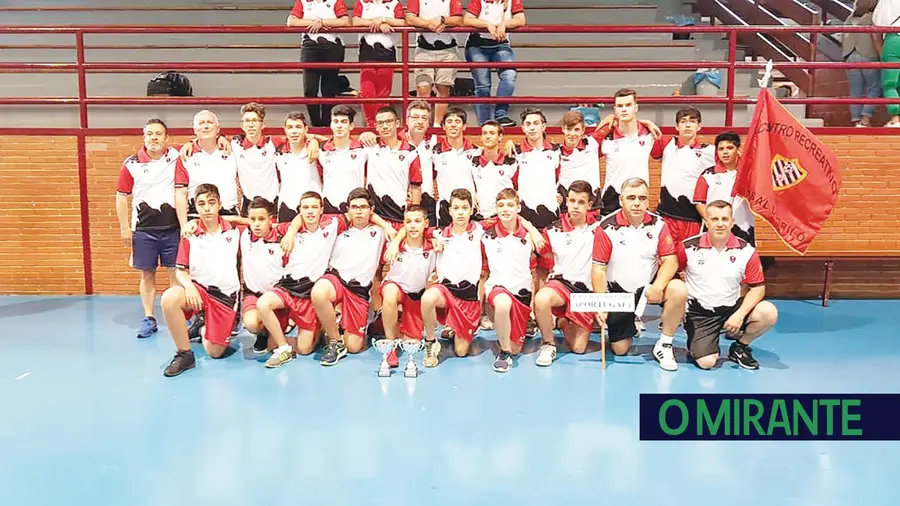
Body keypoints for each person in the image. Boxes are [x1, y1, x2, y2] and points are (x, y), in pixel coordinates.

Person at [591, 178, 688, 371]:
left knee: (678, 289)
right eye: (631, 198)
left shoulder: (659, 224)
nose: (637, 203)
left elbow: (670, 260)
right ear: (621, 200)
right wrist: (600, 303)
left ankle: (665, 344)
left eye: (642, 198)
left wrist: (658, 286)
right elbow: (598, 268)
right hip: (620, 292)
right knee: (620, 349)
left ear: (647, 201)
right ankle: (629, 325)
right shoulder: (605, 227)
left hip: (649, 289)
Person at [677, 200, 779, 370]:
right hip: (700, 313)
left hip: (731, 308)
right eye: (715, 219)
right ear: (706, 221)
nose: (720, 224)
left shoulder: (746, 251)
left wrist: (740, 315)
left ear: (732, 222)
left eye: (725, 219)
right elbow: (672, 272)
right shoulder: (687, 247)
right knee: (707, 363)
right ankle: (699, 339)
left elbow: (758, 288)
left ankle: (740, 346)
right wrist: (679, 306)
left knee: (768, 312)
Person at [161, 184, 241, 377]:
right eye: (201, 204)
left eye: (212, 203)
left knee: (215, 352)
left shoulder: (235, 229)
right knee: (169, 299)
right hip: (200, 290)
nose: (207, 208)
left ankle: (204, 324)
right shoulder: (190, 234)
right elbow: (181, 270)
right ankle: (184, 354)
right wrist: (188, 286)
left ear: (220, 204)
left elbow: (262, 222)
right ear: (195, 207)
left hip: (225, 297)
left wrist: (232, 217)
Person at [115, 118, 185, 338]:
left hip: (172, 227)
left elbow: (197, 143)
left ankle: (178, 314)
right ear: (144, 137)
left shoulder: (176, 155)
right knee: (147, 274)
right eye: (149, 134)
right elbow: (121, 196)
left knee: (175, 272)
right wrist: (125, 228)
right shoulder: (132, 163)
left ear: (166, 138)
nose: (154, 137)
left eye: (158, 134)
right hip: (144, 230)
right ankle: (149, 317)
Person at [256, 191, 343, 368]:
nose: (310, 211)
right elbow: (258, 225)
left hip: (309, 293)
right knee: (263, 304)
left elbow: (362, 214)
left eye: (314, 207)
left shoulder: (332, 224)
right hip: (287, 287)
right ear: (299, 211)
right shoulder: (286, 229)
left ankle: (317, 331)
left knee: (304, 349)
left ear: (321, 209)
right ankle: (283, 348)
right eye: (305, 207)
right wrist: (195, 222)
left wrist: (388, 228)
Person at [311, 188, 388, 366]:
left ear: (371, 209)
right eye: (354, 207)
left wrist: (388, 228)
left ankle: (354, 324)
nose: (359, 211)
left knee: (354, 347)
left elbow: (408, 230)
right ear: (348, 210)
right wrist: (291, 230)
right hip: (336, 279)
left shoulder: (381, 232)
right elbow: (304, 217)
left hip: (359, 290)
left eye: (363, 207)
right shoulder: (337, 227)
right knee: (319, 292)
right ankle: (335, 342)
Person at [532, 180, 601, 367]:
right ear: (566, 202)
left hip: (585, 291)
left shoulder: (601, 228)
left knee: (578, 348)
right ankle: (548, 344)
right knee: (542, 299)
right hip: (561, 285)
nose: (575, 206)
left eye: (581, 202)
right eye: (572, 201)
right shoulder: (553, 230)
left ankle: (563, 321)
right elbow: (543, 265)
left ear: (589, 205)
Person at [419, 189, 485, 367]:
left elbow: (510, 218)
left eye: (465, 208)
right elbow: (415, 228)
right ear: (450, 211)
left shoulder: (480, 229)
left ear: (472, 210)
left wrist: (532, 230)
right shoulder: (438, 234)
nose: (461, 212)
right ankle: (431, 342)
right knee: (427, 298)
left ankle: (458, 327)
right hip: (446, 292)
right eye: (456, 208)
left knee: (461, 352)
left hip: (468, 299)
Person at [378, 204, 437, 372]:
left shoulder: (434, 245)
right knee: (389, 293)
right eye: (408, 221)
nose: (412, 225)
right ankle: (390, 345)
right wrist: (395, 241)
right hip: (396, 288)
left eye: (417, 221)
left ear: (425, 223)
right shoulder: (393, 241)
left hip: (417, 296)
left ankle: (401, 329)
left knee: (413, 342)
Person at [482, 188, 535, 372]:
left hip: (522, 294)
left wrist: (530, 228)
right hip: (498, 289)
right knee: (503, 304)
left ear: (518, 208)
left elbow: (538, 270)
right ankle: (504, 352)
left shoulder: (531, 236)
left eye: (510, 205)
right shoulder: (486, 234)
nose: (505, 209)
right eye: (501, 205)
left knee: (517, 348)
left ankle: (512, 335)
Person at [594, 89, 664, 215]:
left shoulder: (650, 134)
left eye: (628, 105)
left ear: (636, 107)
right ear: (615, 110)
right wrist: (604, 123)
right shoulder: (606, 137)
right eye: (620, 106)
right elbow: (586, 146)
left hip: (639, 200)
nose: (624, 109)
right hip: (611, 201)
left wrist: (646, 122)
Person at [655, 106, 716, 244]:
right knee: (665, 257)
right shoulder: (666, 143)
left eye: (692, 121)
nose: (688, 124)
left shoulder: (710, 151)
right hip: (666, 214)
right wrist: (650, 123)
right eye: (683, 121)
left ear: (699, 126)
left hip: (692, 216)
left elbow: (735, 160)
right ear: (676, 126)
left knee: (688, 259)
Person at [287, 0, 351, 127]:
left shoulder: (335, 1)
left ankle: (327, 124)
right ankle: (315, 124)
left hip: (332, 48)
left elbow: (346, 21)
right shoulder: (303, 2)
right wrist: (314, 23)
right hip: (310, 48)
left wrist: (322, 23)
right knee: (309, 89)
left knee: (328, 90)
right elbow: (291, 21)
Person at [463, 0, 526, 127]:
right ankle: (485, 123)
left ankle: (501, 115)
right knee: (483, 85)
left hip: (501, 44)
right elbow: (467, 19)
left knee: (509, 75)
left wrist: (504, 24)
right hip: (477, 45)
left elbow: (520, 19)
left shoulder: (512, 1)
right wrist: (486, 24)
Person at [238, 198, 289, 355]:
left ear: (271, 220)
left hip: (278, 295)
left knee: (302, 346)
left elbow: (298, 222)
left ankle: (283, 339)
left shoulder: (282, 237)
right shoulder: (244, 234)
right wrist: (193, 222)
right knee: (251, 323)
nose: (256, 224)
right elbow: (220, 220)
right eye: (252, 219)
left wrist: (292, 231)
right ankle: (263, 333)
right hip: (253, 294)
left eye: (261, 219)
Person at [405, 0, 464, 127]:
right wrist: (429, 24)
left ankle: (437, 125)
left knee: (443, 88)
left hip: (448, 50)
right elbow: (410, 18)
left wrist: (442, 20)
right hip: (423, 50)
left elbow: (459, 19)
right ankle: (422, 123)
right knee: (423, 88)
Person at [693, 131, 756, 245]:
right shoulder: (707, 174)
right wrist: (712, 220)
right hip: (715, 230)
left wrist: (747, 165)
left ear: (738, 150)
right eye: (721, 149)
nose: (725, 152)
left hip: (743, 228)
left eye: (730, 148)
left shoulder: (749, 173)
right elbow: (699, 202)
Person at [351, 0, 406, 127]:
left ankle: (382, 123)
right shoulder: (362, 2)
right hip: (367, 54)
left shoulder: (394, 3)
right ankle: (371, 124)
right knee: (367, 92)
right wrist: (377, 23)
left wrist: (383, 19)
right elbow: (355, 21)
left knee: (383, 93)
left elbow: (402, 22)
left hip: (387, 54)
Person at [177, 110, 240, 218]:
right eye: (201, 123)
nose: (206, 126)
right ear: (195, 130)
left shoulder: (233, 149)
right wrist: (184, 226)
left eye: (210, 122)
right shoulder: (185, 155)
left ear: (218, 129)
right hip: (196, 216)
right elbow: (180, 194)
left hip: (228, 215)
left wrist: (222, 137)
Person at [512, 107, 561, 230]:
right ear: (523, 128)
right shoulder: (514, 153)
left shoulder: (556, 151)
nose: (532, 128)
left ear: (543, 126)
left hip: (551, 211)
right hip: (524, 214)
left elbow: (561, 177)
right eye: (528, 124)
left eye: (536, 123)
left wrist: (560, 195)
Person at [231, 103, 284, 216]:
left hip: (272, 202)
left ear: (263, 124)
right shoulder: (234, 144)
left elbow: (299, 137)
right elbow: (210, 138)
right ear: (242, 125)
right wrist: (191, 143)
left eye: (255, 120)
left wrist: (313, 140)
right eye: (247, 121)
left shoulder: (273, 142)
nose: (251, 125)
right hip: (248, 204)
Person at [432, 107, 479, 227]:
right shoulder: (434, 152)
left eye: (457, 122)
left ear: (464, 126)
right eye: (449, 122)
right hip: (445, 210)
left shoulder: (476, 152)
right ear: (443, 126)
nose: (453, 125)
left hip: (470, 209)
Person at [318, 105, 367, 213]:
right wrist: (313, 139)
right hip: (329, 209)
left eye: (343, 122)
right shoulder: (321, 151)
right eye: (335, 121)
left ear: (351, 126)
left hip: (355, 209)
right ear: (331, 125)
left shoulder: (363, 150)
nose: (339, 126)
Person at [276, 111, 323, 223]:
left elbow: (331, 141)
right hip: (287, 206)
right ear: (285, 130)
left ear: (306, 130)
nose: (294, 131)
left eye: (298, 127)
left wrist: (314, 139)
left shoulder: (317, 151)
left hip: (312, 207)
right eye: (290, 127)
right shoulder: (278, 152)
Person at [843, 0, 883, 127]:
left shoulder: (849, 18)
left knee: (855, 89)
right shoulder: (873, 17)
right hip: (868, 55)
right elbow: (876, 37)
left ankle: (855, 120)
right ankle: (865, 118)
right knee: (875, 87)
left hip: (850, 56)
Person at [471, 120, 517, 220]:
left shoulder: (512, 163)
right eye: (484, 133)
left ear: (500, 137)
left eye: (492, 133)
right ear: (481, 137)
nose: (488, 136)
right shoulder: (473, 163)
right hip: (480, 218)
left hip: (504, 218)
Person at [558, 110, 602, 212]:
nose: (572, 134)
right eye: (569, 129)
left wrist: (647, 123)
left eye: (576, 129)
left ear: (583, 130)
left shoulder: (592, 143)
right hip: (566, 206)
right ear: (563, 129)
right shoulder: (554, 152)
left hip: (592, 205)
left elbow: (611, 120)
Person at [874, 0, 900, 127]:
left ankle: (896, 119)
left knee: (890, 83)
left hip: (893, 39)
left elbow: (877, 21)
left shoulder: (886, 2)